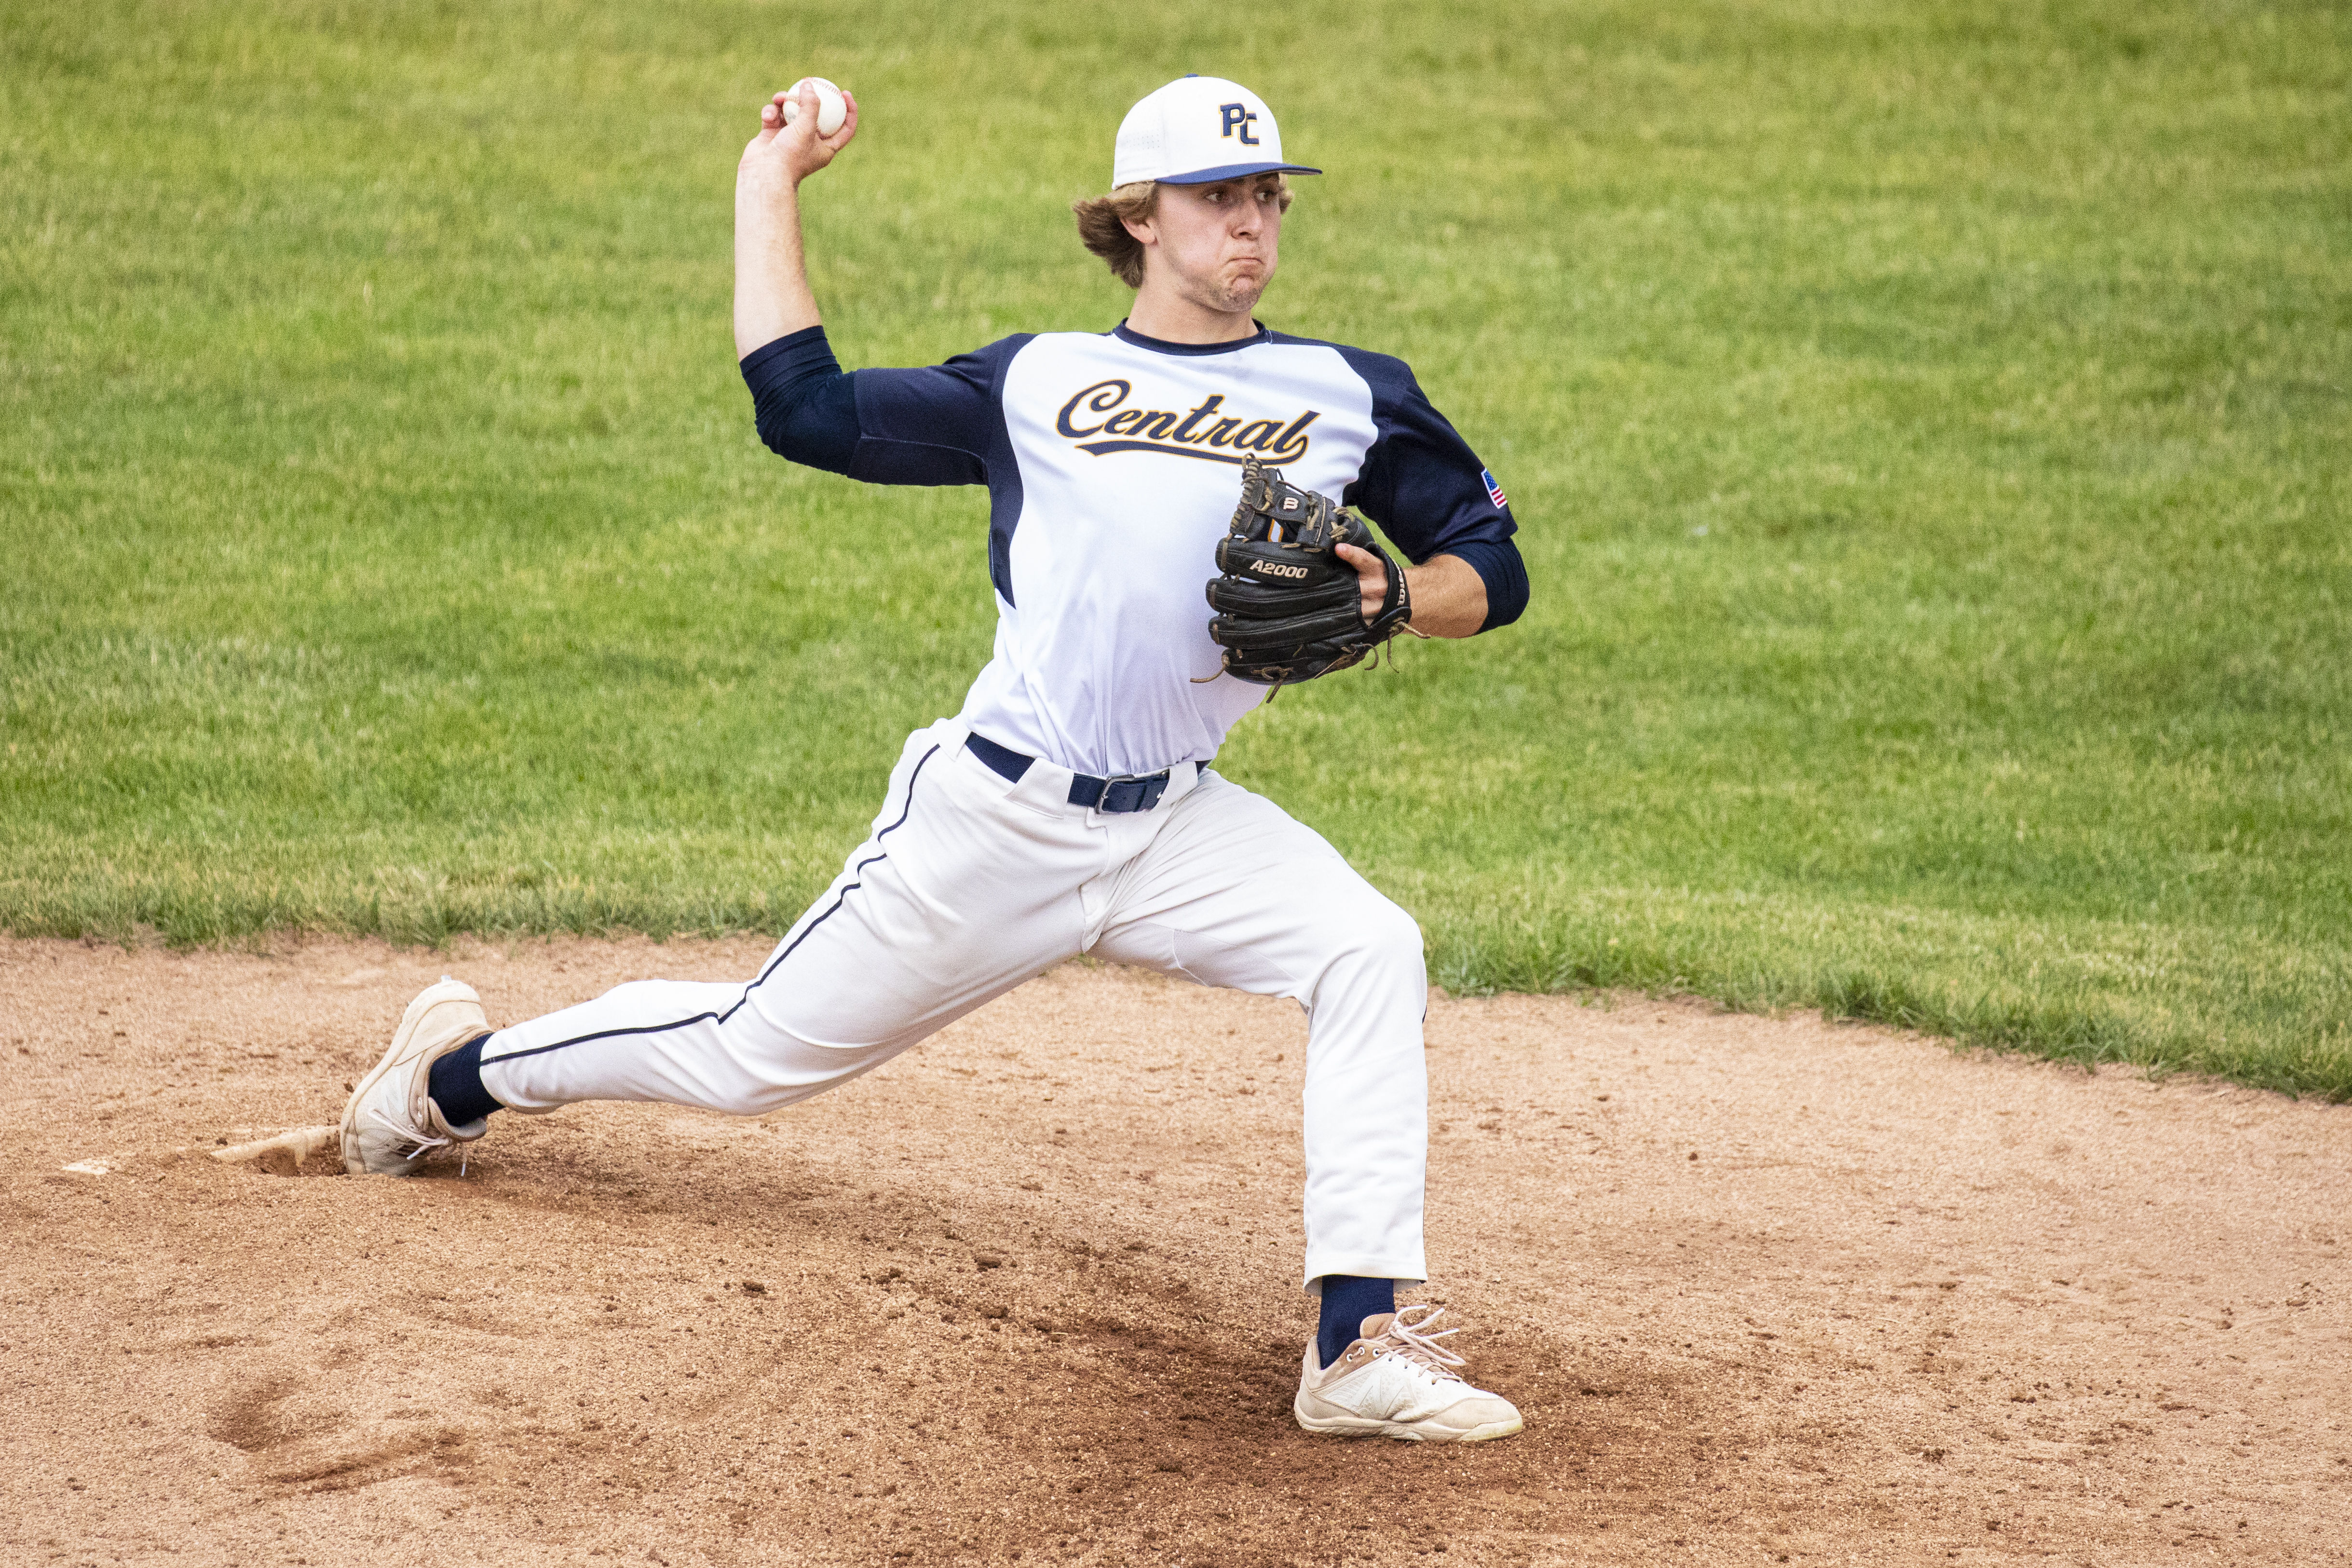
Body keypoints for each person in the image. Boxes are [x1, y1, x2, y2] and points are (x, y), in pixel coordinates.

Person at [339, 74, 1531, 1444]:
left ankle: (1357, 1341)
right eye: (1217, 198)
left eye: (1266, 195)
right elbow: (806, 411)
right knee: (751, 1054)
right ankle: (450, 1077)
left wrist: (1399, 598)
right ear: (1140, 218)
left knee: (1366, 944)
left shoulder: (1343, 392)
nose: (1251, 224)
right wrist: (769, 183)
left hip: (1178, 828)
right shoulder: (1037, 381)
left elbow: (1489, 562)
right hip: (996, 820)